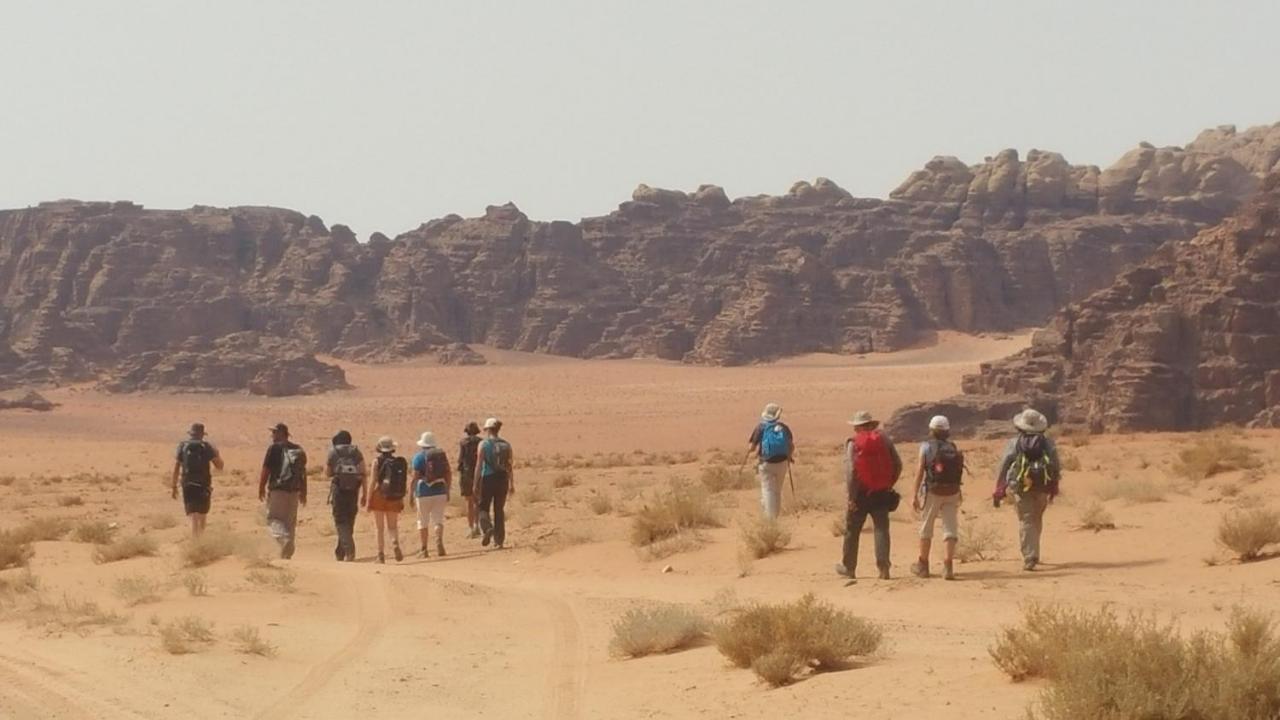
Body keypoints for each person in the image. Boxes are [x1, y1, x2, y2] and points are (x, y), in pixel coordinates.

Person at [836, 411, 902, 582]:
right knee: (881, 529)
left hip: (860, 493)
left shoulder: (853, 443)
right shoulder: (884, 440)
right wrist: (888, 484)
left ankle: (849, 568)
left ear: (857, 426)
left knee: (852, 530)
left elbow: (851, 472)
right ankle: (884, 568)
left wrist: (851, 496)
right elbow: (898, 464)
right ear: (872, 425)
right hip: (881, 492)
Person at [993, 409, 1061, 571]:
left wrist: (999, 488)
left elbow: (1004, 466)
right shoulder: (1048, 443)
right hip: (1042, 486)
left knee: (1026, 519)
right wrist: (1054, 486)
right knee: (1036, 517)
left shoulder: (1014, 443)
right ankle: (1034, 552)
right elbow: (1056, 466)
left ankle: (1030, 556)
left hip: (1021, 486)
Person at [910, 415, 965, 580]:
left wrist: (914, 494)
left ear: (931, 430)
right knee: (950, 528)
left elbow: (920, 471)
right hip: (952, 492)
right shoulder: (952, 446)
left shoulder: (926, 447)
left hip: (933, 491)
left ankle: (923, 565)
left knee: (926, 527)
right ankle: (948, 566)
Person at [257, 422, 307, 559]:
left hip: (278, 489)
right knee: (289, 521)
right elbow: (303, 473)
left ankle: (283, 540)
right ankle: (287, 554)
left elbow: (266, 469)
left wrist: (261, 487)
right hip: (294, 490)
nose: (272, 435)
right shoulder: (298, 449)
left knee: (274, 519)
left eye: (274, 432)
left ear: (280, 433)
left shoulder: (274, 448)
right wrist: (304, 492)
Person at [172, 422, 224, 537]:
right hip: (203, 483)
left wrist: (174, 486)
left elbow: (177, 467)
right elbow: (219, 466)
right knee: (202, 513)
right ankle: (200, 539)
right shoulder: (206, 446)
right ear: (202, 434)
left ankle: (195, 538)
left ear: (191, 434)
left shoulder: (183, 446)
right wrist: (217, 453)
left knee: (193, 513)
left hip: (187, 483)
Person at [745, 403, 794, 520]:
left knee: (767, 489)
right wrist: (789, 457)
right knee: (777, 490)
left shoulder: (760, 427)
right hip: (782, 463)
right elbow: (791, 446)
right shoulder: (784, 428)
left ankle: (770, 519)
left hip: (766, 463)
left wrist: (752, 451)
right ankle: (774, 516)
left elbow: (751, 447)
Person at [325, 430, 368, 562]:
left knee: (340, 520)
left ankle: (349, 550)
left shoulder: (333, 452)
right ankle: (340, 552)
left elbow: (327, 473)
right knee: (349, 520)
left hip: (339, 490)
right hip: (354, 490)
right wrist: (365, 494)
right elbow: (363, 473)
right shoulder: (356, 452)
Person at [474, 418, 514, 549]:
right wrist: (512, 483)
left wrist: (475, 483)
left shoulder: (484, 445)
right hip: (503, 479)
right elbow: (509, 466)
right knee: (499, 510)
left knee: (483, 507)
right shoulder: (506, 445)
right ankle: (499, 540)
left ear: (487, 430)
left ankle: (487, 528)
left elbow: (479, 466)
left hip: (488, 478)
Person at [411, 431, 452, 558]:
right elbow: (448, 473)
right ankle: (439, 541)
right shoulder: (440, 456)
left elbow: (415, 477)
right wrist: (447, 490)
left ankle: (424, 549)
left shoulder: (418, 457)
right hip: (440, 491)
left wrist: (411, 494)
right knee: (438, 520)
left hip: (423, 492)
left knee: (422, 521)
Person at [368, 436, 408, 563]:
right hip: (394, 496)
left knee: (379, 528)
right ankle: (395, 542)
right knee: (393, 526)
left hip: (379, 494)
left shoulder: (377, 461)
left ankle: (380, 554)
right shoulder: (397, 462)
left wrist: (369, 500)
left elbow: (373, 481)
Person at [457, 421, 483, 538]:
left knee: (469, 503)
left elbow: (460, 460)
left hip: (467, 474)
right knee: (478, 501)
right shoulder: (481, 442)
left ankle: (471, 527)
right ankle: (478, 526)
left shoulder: (463, 442)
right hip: (479, 473)